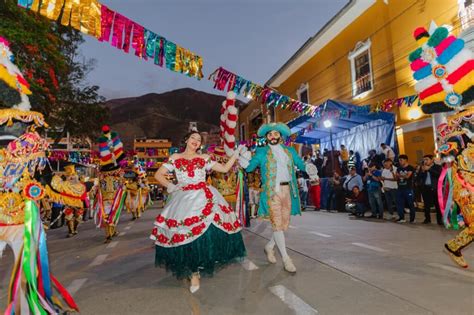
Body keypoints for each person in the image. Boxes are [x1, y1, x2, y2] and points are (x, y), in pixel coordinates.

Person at [150, 130, 246, 293]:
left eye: (199, 139)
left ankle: (198, 268)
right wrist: (172, 186)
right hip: (183, 199)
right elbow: (159, 175)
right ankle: (194, 272)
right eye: (193, 138)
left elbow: (223, 169)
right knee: (186, 236)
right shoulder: (175, 158)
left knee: (206, 234)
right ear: (186, 140)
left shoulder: (204, 158)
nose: (196, 141)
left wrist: (236, 153)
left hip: (204, 196)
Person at [242, 123, 311, 273]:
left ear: (280, 135)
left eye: (275, 134)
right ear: (266, 137)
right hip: (272, 192)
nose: (272, 137)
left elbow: (301, 164)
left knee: (283, 225)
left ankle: (269, 247)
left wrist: (311, 170)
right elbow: (249, 168)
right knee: (277, 224)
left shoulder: (290, 151)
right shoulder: (261, 152)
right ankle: (286, 259)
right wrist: (243, 158)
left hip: (288, 191)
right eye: (269, 135)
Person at [417, 155, 443, 224]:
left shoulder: (437, 167)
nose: (425, 161)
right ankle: (427, 219)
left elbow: (439, 175)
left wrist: (429, 169)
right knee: (426, 205)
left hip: (434, 188)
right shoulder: (422, 167)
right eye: (424, 160)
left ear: (432, 160)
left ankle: (439, 220)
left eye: (426, 159)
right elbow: (419, 178)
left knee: (437, 205)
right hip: (425, 188)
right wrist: (422, 171)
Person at [395, 154, 416, 223]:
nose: (400, 162)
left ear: (406, 160)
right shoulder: (398, 168)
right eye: (399, 160)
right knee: (399, 203)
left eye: (401, 160)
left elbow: (407, 176)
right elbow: (396, 177)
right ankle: (401, 218)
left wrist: (399, 175)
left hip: (408, 188)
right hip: (400, 188)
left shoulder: (410, 168)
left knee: (410, 204)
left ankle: (412, 219)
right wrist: (397, 175)